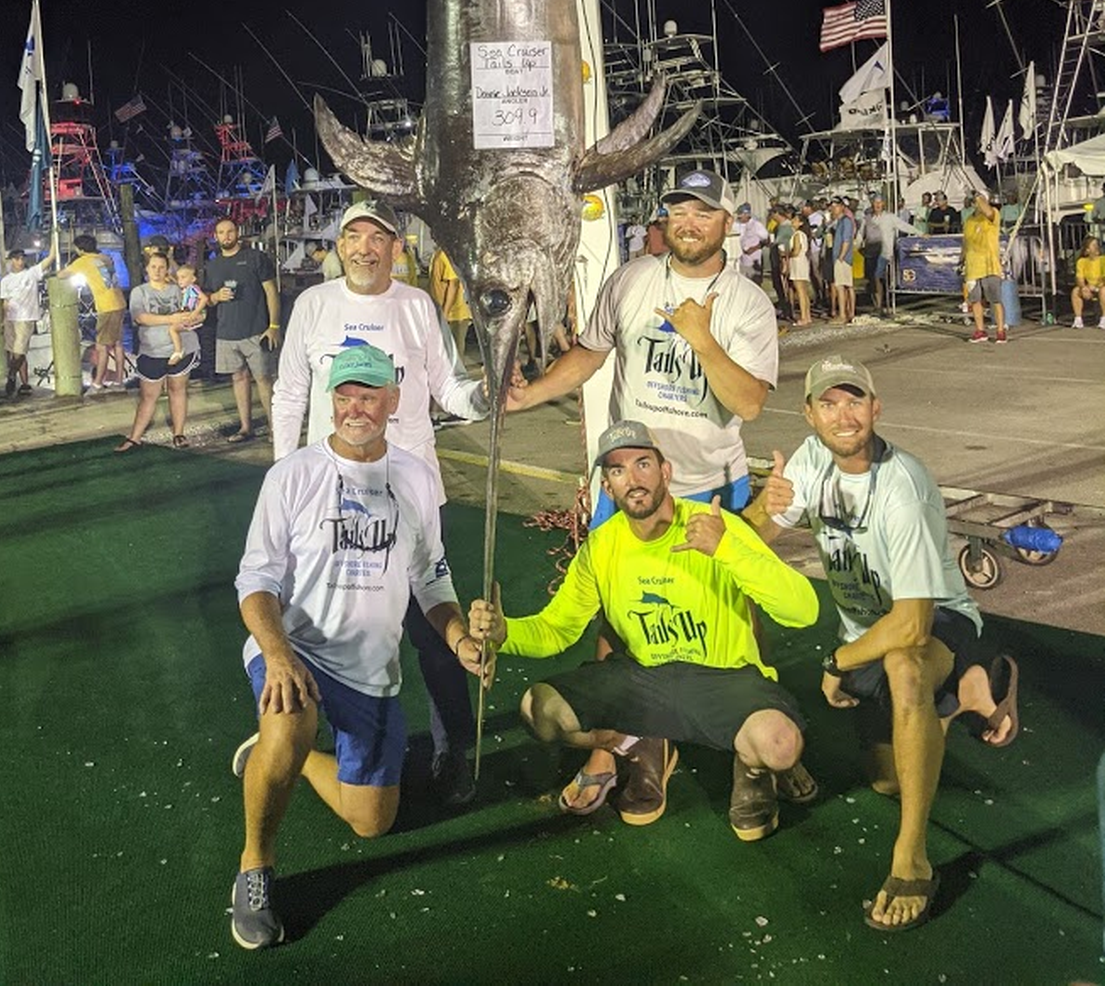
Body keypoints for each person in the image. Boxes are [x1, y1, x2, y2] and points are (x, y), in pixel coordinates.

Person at [507, 168, 780, 813]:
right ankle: (636, 747)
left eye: (704, 213)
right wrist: (532, 393)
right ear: (665, 218)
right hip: (628, 484)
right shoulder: (630, 280)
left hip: (712, 487)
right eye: (679, 210)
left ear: (726, 224)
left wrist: (701, 338)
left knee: (741, 616)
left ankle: (753, 756)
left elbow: (749, 401)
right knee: (616, 616)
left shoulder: (746, 302)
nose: (689, 223)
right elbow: (591, 352)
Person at [745, 355, 1019, 931]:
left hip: (935, 620)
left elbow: (914, 625)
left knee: (906, 666)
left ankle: (912, 860)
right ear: (810, 415)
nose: (843, 415)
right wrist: (761, 510)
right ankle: (974, 690)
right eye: (829, 403)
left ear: (876, 408)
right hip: (866, 632)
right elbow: (760, 534)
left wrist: (835, 661)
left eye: (854, 401)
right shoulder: (812, 458)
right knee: (889, 780)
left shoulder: (904, 487)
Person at [229, 344, 486, 950]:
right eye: (344, 395)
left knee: (371, 822)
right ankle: (254, 867)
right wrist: (279, 653)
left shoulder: (418, 477)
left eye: (368, 396)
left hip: (370, 671)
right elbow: (255, 581)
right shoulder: (291, 475)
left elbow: (430, 577)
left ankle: (277, 756)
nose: (354, 407)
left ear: (393, 401)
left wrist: (456, 637)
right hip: (294, 649)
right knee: (290, 721)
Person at [468, 419, 818, 835]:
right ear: (606, 488)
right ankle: (630, 744)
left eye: (643, 465)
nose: (632, 480)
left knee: (779, 745)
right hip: (644, 679)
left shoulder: (715, 527)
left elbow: (804, 610)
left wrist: (727, 550)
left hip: (725, 678)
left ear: (666, 472)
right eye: (617, 470)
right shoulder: (601, 546)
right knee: (538, 710)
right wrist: (506, 634)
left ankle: (754, 772)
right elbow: (558, 628)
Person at [272, 199, 490, 805]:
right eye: (354, 238)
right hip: (324, 500)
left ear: (398, 248)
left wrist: (489, 395)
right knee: (323, 622)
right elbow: (291, 392)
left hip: (412, 495)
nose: (365, 248)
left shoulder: (418, 306)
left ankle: (453, 753)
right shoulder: (312, 305)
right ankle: (308, 737)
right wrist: (282, 473)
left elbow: (449, 387)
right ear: (338, 247)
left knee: (431, 630)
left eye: (379, 238)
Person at [201, 216, 281, 444]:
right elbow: (205, 298)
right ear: (215, 237)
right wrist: (215, 297)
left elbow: (271, 292)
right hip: (226, 333)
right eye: (221, 233)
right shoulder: (212, 266)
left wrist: (274, 326)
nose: (226, 236)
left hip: (256, 330)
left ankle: (275, 428)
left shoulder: (255, 258)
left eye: (230, 231)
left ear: (238, 233)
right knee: (238, 379)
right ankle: (246, 428)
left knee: (265, 380)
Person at [115, 250, 205, 452]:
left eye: (162, 267)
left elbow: (196, 308)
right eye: (153, 266)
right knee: (148, 395)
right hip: (152, 351)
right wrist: (170, 319)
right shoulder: (140, 292)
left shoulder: (178, 290)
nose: (157, 271)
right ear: (147, 269)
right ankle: (135, 437)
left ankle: (179, 433)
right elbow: (140, 317)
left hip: (182, 348)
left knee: (178, 389)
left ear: (167, 269)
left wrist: (197, 317)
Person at [56, 234, 128, 392]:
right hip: (120, 302)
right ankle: (119, 382)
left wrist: (73, 261)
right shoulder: (105, 258)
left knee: (101, 346)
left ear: (80, 249)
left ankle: (97, 383)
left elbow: (61, 275)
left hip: (106, 305)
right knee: (117, 344)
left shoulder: (82, 261)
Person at [0, 243, 57, 396]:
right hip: (11, 318)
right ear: (12, 260)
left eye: (22, 258)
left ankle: (11, 375)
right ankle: (24, 383)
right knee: (15, 352)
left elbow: (50, 259)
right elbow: (5, 303)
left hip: (26, 318)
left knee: (19, 350)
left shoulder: (31, 273)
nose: (20, 261)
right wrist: (3, 321)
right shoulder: (5, 281)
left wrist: (53, 238)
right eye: (17, 259)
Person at [859, 196, 918, 314]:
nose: (877, 205)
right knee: (871, 278)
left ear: (883, 204)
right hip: (870, 251)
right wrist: (858, 246)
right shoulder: (867, 218)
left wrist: (919, 232)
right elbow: (861, 234)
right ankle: (876, 303)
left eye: (880, 203)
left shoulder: (889, 217)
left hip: (884, 252)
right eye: (875, 203)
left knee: (877, 276)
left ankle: (879, 305)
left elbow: (903, 226)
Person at [962, 190, 1005, 344]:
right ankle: (980, 330)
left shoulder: (993, 214)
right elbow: (965, 242)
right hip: (973, 266)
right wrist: (962, 260)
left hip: (990, 264)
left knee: (995, 299)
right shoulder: (969, 220)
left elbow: (987, 210)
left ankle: (1000, 330)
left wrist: (980, 197)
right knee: (975, 300)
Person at [428, 246, 473, 360]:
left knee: (454, 354)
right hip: (447, 312)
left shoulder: (446, 254)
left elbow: (453, 284)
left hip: (454, 315)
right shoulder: (441, 253)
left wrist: (445, 314)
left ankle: (457, 377)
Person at [169, 262, 207, 365]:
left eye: (183, 277)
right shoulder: (186, 289)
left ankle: (178, 351)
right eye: (178, 278)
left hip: (196, 314)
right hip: (188, 312)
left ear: (193, 279)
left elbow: (204, 299)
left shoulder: (193, 288)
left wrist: (195, 312)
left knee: (173, 329)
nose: (180, 280)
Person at [1070, 235, 1105, 328]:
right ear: (1087, 250)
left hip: (1101, 287)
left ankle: (1104, 319)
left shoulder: (1103, 260)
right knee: (1076, 291)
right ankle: (1078, 320)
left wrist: (1097, 287)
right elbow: (1079, 278)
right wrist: (1084, 287)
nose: (1096, 247)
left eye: (1097, 245)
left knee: (1103, 291)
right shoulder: (1081, 262)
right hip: (1090, 287)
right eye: (1093, 245)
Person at [830, 198, 855, 323]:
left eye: (836, 206)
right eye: (832, 206)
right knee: (844, 286)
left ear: (842, 207)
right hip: (839, 257)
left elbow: (847, 239)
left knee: (841, 286)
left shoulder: (846, 221)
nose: (833, 209)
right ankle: (847, 312)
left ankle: (843, 315)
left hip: (842, 258)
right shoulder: (838, 221)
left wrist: (841, 256)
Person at [787, 210, 813, 326]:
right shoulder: (804, 235)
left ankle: (803, 317)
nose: (793, 221)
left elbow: (796, 251)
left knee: (800, 291)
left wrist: (787, 254)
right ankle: (807, 316)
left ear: (800, 223)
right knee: (804, 290)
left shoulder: (797, 235)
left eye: (795, 220)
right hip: (803, 262)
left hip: (797, 262)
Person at [734, 202, 768, 285]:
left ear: (746, 214)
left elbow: (766, 239)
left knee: (755, 281)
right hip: (741, 259)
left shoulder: (756, 225)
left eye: (740, 214)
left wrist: (754, 248)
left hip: (754, 259)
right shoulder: (736, 225)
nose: (738, 217)